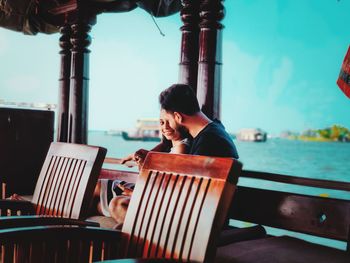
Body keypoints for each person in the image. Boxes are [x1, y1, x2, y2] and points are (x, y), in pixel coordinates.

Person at [94, 114, 192, 226]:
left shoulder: (181, 148)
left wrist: (134, 192)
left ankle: (129, 230)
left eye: (169, 121)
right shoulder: (170, 145)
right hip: (147, 189)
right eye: (161, 122)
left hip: (151, 193)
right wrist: (139, 159)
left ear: (179, 120)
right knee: (98, 187)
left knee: (112, 204)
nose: (165, 126)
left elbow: (167, 185)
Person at [124, 83, 239, 166]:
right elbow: (167, 143)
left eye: (168, 120)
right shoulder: (216, 130)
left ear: (178, 117)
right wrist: (149, 155)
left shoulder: (207, 144)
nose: (166, 126)